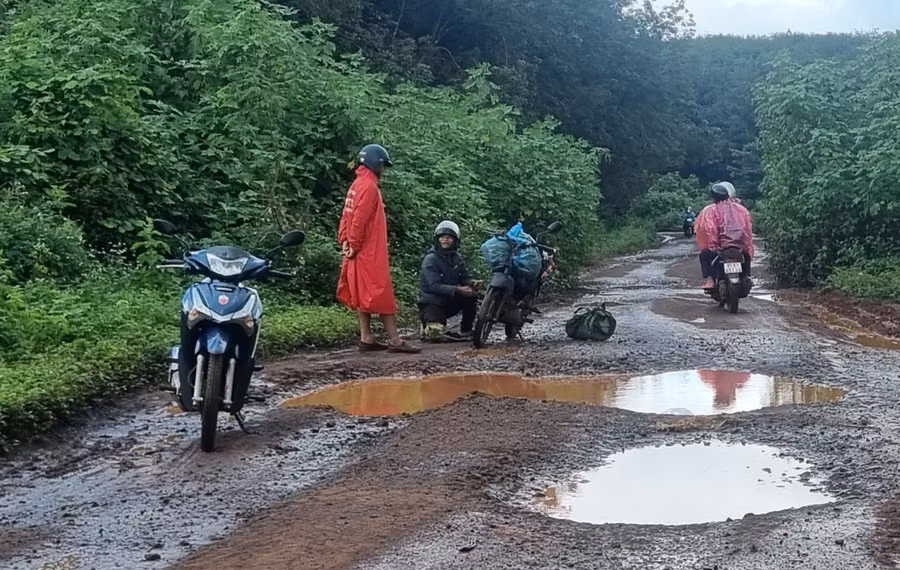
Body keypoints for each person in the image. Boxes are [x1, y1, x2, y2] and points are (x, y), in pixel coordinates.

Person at [337, 144, 420, 353]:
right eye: (383, 166)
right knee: (381, 292)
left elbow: (346, 216)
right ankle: (395, 340)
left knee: (360, 293)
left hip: (355, 249)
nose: (384, 170)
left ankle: (367, 337)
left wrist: (345, 241)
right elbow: (359, 220)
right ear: (376, 164)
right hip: (367, 251)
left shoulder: (356, 184)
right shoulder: (369, 187)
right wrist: (354, 244)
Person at [418, 221, 483, 342]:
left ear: (455, 240)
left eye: (449, 237)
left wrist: (473, 283)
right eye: (442, 237)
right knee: (435, 335)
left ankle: (466, 329)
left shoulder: (457, 257)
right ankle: (427, 325)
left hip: (449, 301)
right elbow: (434, 286)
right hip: (432, 303)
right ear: (437, 239)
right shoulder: (430, 259)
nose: (445, 240)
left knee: (471, 296)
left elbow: (464, 277)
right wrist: (458, 289)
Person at [696, 181, 754, 290]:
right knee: (746, 256)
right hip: (739, 246)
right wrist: (746, 245)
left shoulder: (710, 211)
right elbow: (748, 228)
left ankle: (710, 280)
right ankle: (747, 277)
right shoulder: (741, 209)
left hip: (721, 248)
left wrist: (713, 245)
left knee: (704, 255)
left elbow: (710, 229)